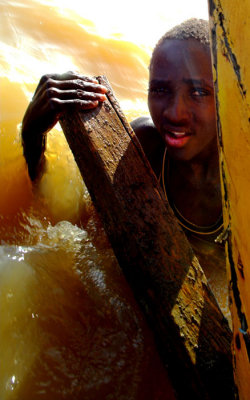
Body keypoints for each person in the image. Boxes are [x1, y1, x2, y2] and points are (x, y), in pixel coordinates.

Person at [21, 18, 229, 320]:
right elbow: (73, 229)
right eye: (159, 89)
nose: (174, 112)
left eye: (197, 92)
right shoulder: (145, 149)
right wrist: (32, 137)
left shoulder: (239, 188)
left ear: (225, 99)